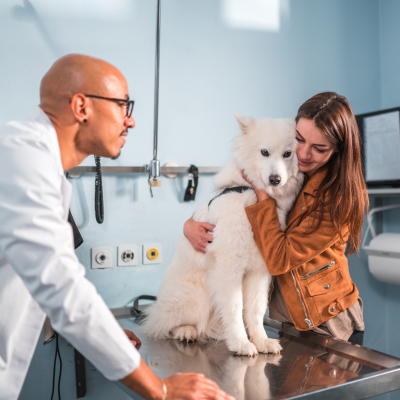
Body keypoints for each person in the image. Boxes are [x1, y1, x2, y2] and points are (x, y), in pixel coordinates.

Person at [0, 54, 233, 400]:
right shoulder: (23, 162)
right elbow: (63, 290)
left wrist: (106, 336)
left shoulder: (31, 158)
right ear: (81, 107)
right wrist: (162, 388)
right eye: (123, 105)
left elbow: (44, 275)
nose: (132, 121)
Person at [184, 92, 368, 345]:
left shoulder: (336, 198)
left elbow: (279, 258)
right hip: (292, 319)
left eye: (319, 148)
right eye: (299, 140)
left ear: (338, 149)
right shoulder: (297, 174)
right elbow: (231, 203)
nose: (303, 153)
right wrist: (190, 225)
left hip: (329, 323)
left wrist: (260, 190)